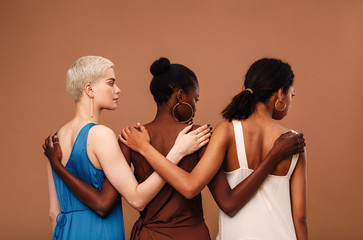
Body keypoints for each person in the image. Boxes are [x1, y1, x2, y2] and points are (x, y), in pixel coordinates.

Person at [120, 58, 308, 239]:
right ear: (280, 93)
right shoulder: (293, 142)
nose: (195, 106)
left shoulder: (226, 130)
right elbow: (300, 218)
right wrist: (273, 155)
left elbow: (202, 191)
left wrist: (145, 147)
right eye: (196, 99)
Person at [44, 56, 211, 240]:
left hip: (65, 233)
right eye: (111, 83)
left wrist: (57, 166)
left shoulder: (54, 140)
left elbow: (53, 213)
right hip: (99, 232)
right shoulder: (101, 135)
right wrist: (176, 152)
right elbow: (136, 199)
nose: (118, 89)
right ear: (89, 89)